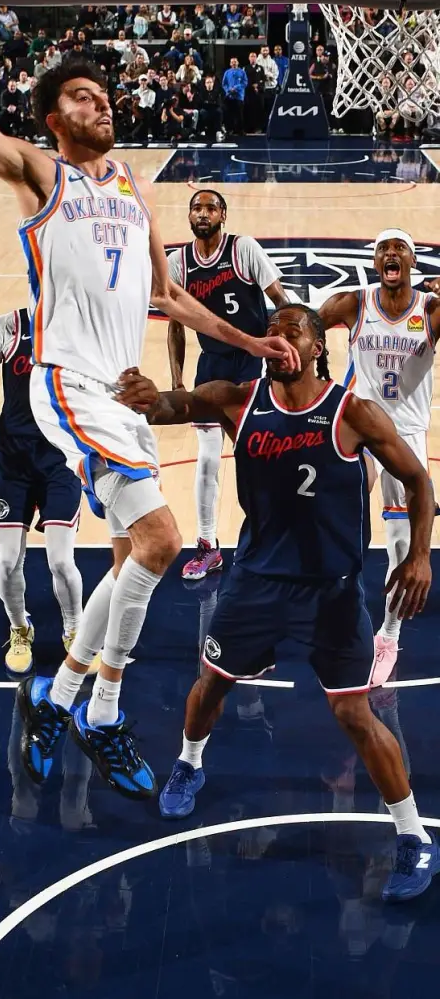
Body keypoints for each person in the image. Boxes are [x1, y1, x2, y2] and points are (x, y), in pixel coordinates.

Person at [0, 0, 298, 799]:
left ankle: (58, 697)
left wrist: (252, 341)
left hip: (122, 393)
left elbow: (170, 296)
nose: (103, 105)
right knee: (163, 540)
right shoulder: (39, 175)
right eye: (85, 98)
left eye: (104, 96)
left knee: (134, 549)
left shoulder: (131, 186)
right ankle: (104, 711)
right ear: (56, 119)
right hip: (67, 384)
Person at [118, 304, 438, 904]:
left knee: (354, 715)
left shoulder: (353, 412)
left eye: (293, 328)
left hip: (330, 592)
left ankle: (413, 834)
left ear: (318, 348)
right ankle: (189, 762)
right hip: (257, 583)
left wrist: (419, 556)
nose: (278, 335)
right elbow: (172, 407)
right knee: (211, 683)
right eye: (271, 329)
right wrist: (147, 397)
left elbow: (420, 482)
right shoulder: (238, 400)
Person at [319, 229, 438, 685]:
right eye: (383, 249)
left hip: (405, 435)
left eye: (399, 248)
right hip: (360, 425)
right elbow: (304, 326)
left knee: (401, 547)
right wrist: (318, 370)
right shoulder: (354, 304)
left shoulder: (429, 311)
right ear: (375, 262)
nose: (391, 254)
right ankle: (327, 605)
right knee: (330, 513)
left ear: (412, 261)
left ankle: (388, 637)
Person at [0, 308, 88, 676]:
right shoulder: (6, 328)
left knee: (61, 561)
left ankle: (75, 631)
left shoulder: (80, 327)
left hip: (60, 458)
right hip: (13, 462)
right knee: (8, 561)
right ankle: (20, 628)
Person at [167, 191, 289, 579]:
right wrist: (176, 380)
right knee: (206, 460)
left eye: (210, 208)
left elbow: (281, 301)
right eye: (196, 208)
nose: (202, 214)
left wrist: (287, 351)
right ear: (189, 216)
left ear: (223, 215)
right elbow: (175, 326)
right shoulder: (178, 263)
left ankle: (274, 540)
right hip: (212, 366)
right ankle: (208, 545)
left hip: (252, 363)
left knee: (258, 457)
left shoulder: (243, 249)